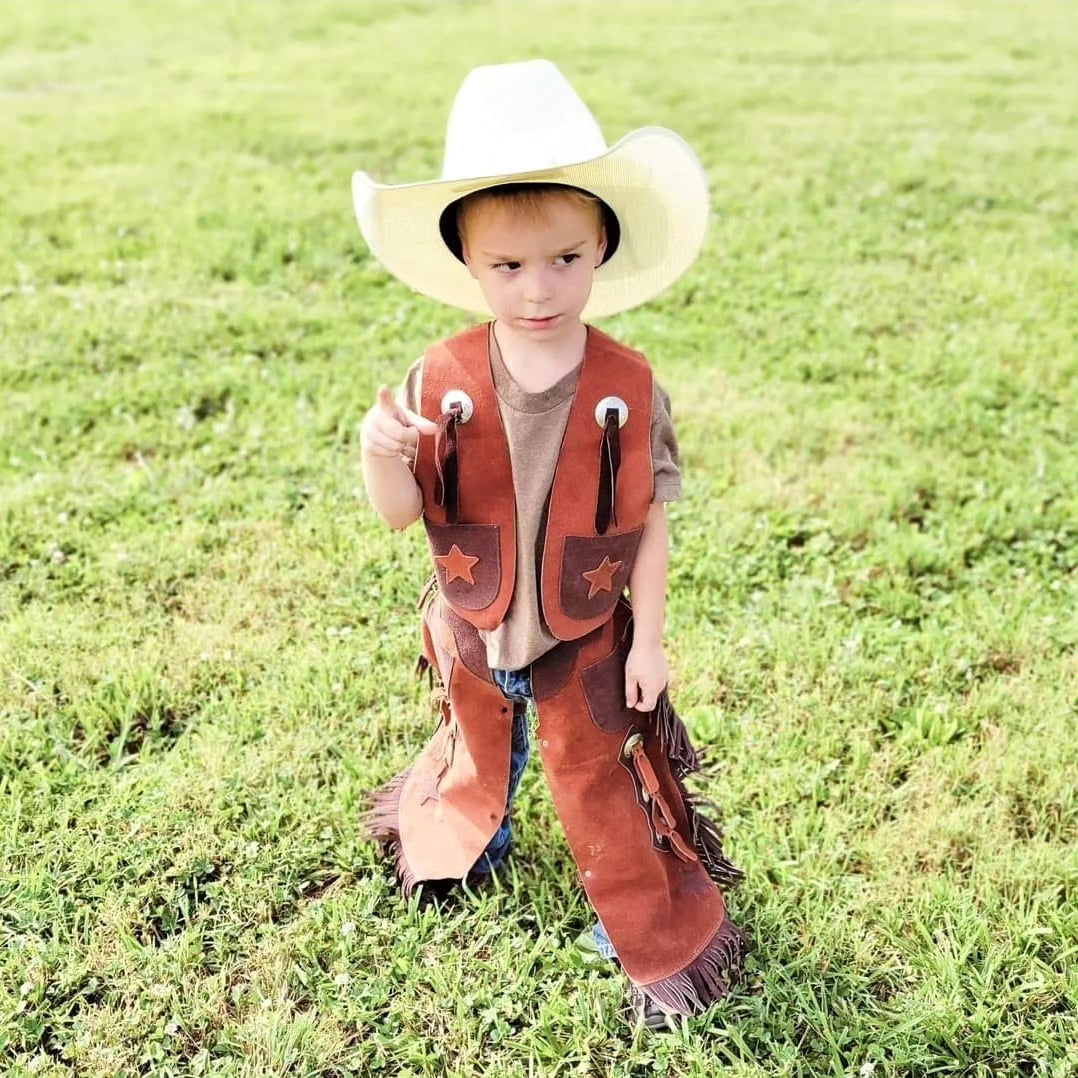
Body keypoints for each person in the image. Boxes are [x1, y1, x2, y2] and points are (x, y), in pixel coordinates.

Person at [354, 59, 747, 1032]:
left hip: (582, 635)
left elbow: (648, 519)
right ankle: (465, 845)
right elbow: (402, 513)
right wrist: (381, 455)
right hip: (479, 622)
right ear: (469, 265)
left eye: (565, 259)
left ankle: (641, 928)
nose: (538, 288)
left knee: (607, 781)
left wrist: (647, 640)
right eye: (508, 266)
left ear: (602, 246)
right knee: (480, 750)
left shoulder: (626, 384)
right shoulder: (440, 377)